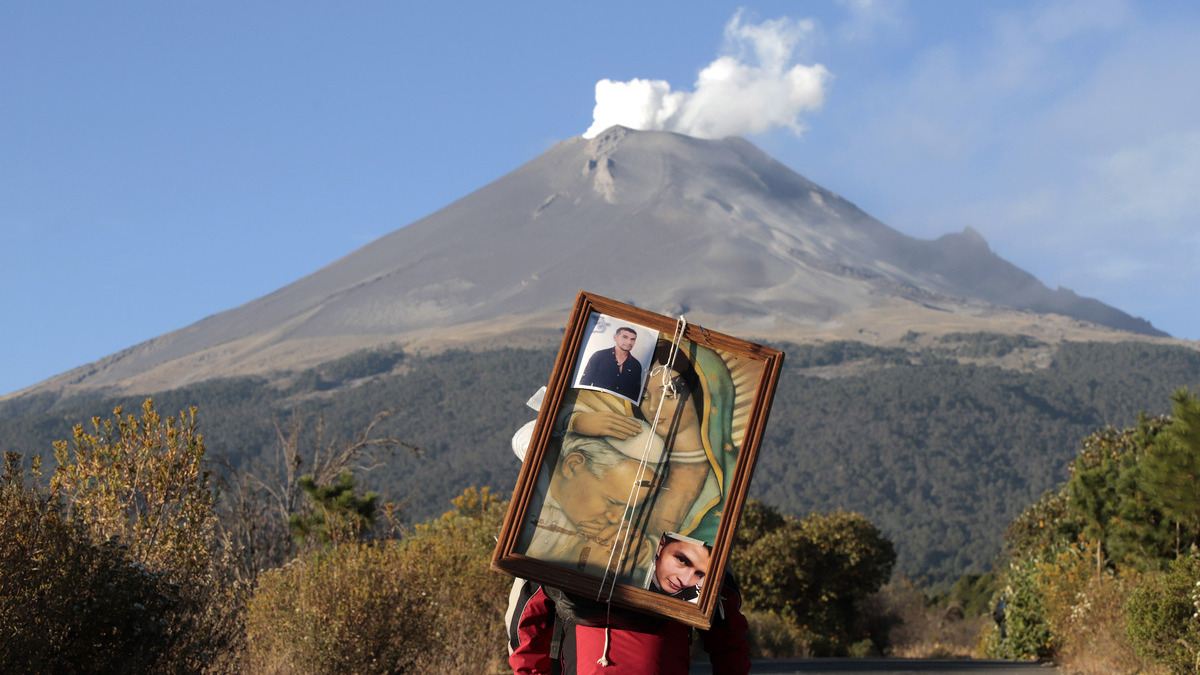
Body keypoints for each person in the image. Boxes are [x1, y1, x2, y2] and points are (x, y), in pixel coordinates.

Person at [506, 573, 749, 675]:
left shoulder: (567, 525)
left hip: (588, 665)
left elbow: (526, 616)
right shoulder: (694, 530)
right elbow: (725, 620)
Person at [519, 430, 665, 579]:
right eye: (612, 502)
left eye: (629, 509)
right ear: (573, 465)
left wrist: (643, 553)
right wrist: (574, 562)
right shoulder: (525, 515)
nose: (616, 519)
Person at [579, 327, 643, 400]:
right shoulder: (599, 356)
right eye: (625, 337)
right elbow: (584, 383)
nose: (629, 342)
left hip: (619, 408)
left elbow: (635, 394)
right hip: (596, 403)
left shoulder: (636, 365)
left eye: (632, 339)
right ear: (615, 337)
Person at [645, 533, 710, 602]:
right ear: (660, 546)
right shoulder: (635, 569)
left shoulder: (694, 601)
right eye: (682, 560)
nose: (685, 582)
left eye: (699, 574)